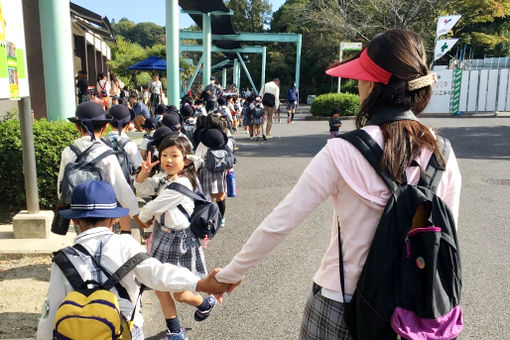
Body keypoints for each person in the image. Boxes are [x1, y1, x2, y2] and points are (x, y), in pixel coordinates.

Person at [214, 29, 462, 339]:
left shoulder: (343, 150)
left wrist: (228, 276)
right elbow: (444, 237)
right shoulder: (443, 153)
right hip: (414, 314)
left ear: (371, 84)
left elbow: (281, 222)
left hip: (340, 303)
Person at [36, 180, 230, 340]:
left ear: (74, 220)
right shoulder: (125, 245)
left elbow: (50, 311)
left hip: (78, 334)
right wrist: (200, 283)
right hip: (126, 329)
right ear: (113, 219)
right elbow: (158, 273)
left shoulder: (64, 258)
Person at [134, 134, 218, 340]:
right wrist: (143, 174)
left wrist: (141, 217)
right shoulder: (165, 178)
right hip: (163, 236)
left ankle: (205, 304)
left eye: (174, 155)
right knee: (159, 285)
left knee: (180, 293)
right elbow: (143, 188)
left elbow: (151, 207)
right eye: (164, 155)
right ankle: (175, 331)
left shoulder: (181, 184)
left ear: (186, 160)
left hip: (181, 241)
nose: (168, 160)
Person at [57, 101, 145, 232]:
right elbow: (121, 188)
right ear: (104, 128)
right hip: (104, 214)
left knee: (83, 243)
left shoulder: (68, 151)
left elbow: (61, 186)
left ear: (77, 127)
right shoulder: (106, 154)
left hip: (79, 213)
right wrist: (137, 216)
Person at [194, 120, 232, 227]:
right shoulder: (222, 141)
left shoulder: (203, 142)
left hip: (206, 172)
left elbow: (198, 159)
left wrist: (194, 171)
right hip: (220, 172)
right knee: (220, 197)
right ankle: (222, 218)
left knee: (208, 197)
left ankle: (210, 218)